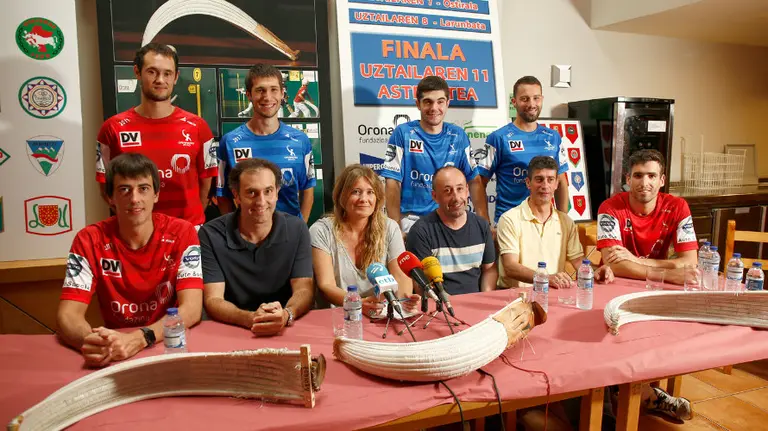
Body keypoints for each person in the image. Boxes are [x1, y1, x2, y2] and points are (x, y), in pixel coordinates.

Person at [58, 153, 203, 367]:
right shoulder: (88, 239)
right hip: (116, 348)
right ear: (110, 198)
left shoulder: (183, 232)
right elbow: (67, 316)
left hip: (169, 343)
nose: (135, 199)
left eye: (143, 189)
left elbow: (191, 309)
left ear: (156, 194)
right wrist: (92, 341)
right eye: (124, 190)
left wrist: (140, 338)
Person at [96, 43, 218, 227]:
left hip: (187, 232)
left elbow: (206, 186)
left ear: (176, 77)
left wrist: (186, 225)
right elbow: (105, 184)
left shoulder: (199, 127)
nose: (160, 80)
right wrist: (135, 218)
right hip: (135, 233)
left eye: (167, 73)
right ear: (137, 72)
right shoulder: (112, 128)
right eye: (152, 72)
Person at [200, 158, 314, 335]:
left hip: (285, 327)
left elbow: (304, 289)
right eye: (251, 193)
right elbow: (213, 299)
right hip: (232, 328)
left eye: (268, 191)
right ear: (236, 196)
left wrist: (286, 314)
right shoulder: (210, 234)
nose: (261, 201)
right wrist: (250, 318)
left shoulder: (297, 229)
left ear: (277, 192)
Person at [310, 164, 420, 317]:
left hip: (380, 314)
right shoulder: (321, 230)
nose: (364, 199)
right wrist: (357, 304)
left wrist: (403, 299)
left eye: (370, 192)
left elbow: (400, 275)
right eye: (356, 192)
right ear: (341, 196)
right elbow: (325, 285)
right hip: (338, 318)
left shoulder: (390, 227)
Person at [381, 75, 484, 234]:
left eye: (440, 101)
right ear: (418, 104)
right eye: (428, 101)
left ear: (448, 103)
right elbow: (392, 182)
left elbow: (474, 181)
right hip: (411, 220)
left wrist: (483, 224)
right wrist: (395, 229)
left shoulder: (459, 136)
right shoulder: (403, 133)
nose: (434, 108)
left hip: (450, 218)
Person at [217, 63, 316, 221]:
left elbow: (308, 190)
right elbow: (223, 195)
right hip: (247, 239)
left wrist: (300, 230)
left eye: (273, 90)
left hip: (289, 238)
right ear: (249, 95)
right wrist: (235, 234)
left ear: (282, 94)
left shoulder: (300, 141)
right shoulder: (230, 142)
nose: (267, 97)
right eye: (260, 90)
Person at [497, 156, 613, 288]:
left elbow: (578, 261)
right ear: (528, 183)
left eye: (550, 180)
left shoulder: (566, 221)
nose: (545, 185)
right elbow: (510, 267)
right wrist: (545, 278)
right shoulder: (509, 219)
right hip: (514, 296)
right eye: (539, 179)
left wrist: (595, 271)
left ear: (557, 183)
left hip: (552, 292)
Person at [474, 76, 569, 225]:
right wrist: (484, 224)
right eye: (525, 99)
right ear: (514, 102)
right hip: (511, 224)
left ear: (542, 99)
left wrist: (564, 223)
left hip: (546, 224)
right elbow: (479, 183)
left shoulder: (553, 137)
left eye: (536, 98)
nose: (531, 104)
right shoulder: (497, 138)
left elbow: (562, 182)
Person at [597, 149, 698, 285]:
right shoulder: (609, 208)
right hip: (617, 282)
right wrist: (668, 275)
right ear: (628, 179)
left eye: (651, 176)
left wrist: (636, 260)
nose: (644, 183)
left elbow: (690, 262)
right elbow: (614, 265)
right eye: (638, 176)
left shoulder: (678, 207)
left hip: (655, 286)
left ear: (662, 180)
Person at [406, 166, 497, 295]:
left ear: (467, 191)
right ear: (435, 196)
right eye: (447, 191)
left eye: (460, 189)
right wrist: (452, 304)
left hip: (477, 305)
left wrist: (485, 297)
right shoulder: (420, 231)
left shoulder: (481, 225)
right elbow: (422, 285)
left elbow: (489, 270)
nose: (456, 197)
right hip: (441, 308)